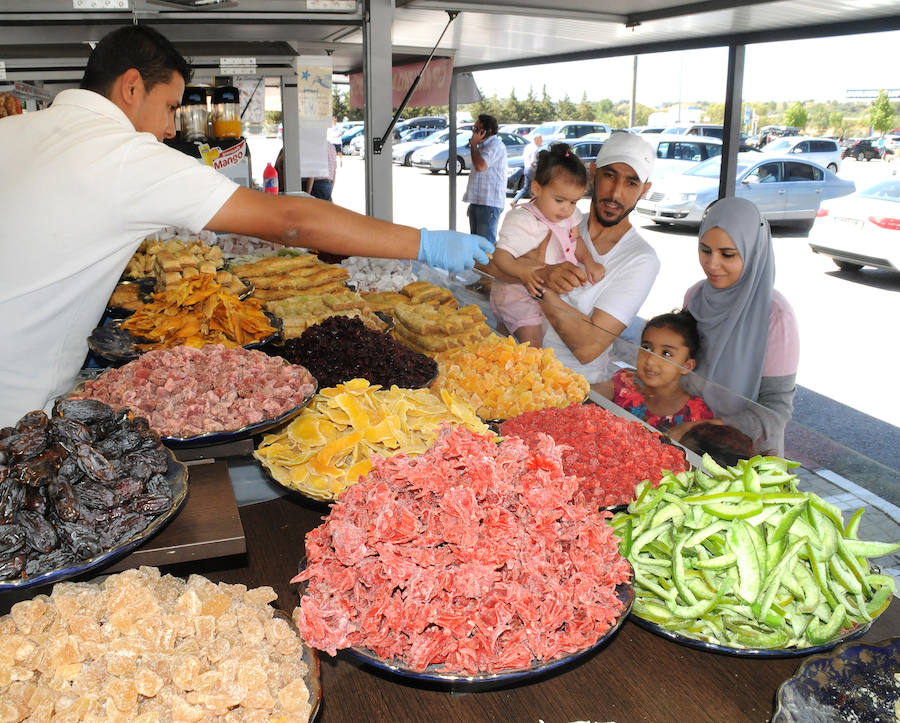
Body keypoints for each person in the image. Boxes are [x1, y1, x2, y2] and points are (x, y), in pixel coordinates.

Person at [0, 24, 493, 425]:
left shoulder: (12, 130)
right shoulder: (124, 153)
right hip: (16, 403)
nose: (170, 128)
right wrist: (422, 242)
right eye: (169, 107)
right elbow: (291, 222)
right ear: (131, 86)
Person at [487, 131, 660, 383]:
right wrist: (532, 272)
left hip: (569, 384)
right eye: (609, 176)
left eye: (631, 183)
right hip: (510, 367)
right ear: (593, 173)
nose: (615, 193)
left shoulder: (641, 259)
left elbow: (588, 348)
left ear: (645, 189)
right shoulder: (558, 218)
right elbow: (487, 265)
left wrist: (541, 284)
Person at [681, 196, 799, 455]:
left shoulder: (776, 315)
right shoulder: (695, 297)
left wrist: (707, 428)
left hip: (744, 456)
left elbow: (776, 408)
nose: (712, 264)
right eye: (705, 250)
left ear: (753, 251)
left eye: (728, 254)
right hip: (689, 442)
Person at [489, 143, 605, 348]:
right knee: (532, 344)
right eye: (559, 200)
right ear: (537, 189)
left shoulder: (570, 217)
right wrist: (523, 271)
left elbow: (576, 241)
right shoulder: (522, 220)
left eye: (573, 202)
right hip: (516, 294)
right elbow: (500, 256)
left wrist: (589, 262)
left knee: (506, 340)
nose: (567, 209)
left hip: (543, 294)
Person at [594, 311, 714, 434]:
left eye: (666, 353)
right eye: (646, 348)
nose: (651, 360)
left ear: (686, 366)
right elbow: (593, 392)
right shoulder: (626, 380)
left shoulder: (696, 413)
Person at [463, 114, 507, 246]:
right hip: (478, 201)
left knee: (485, 246)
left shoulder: (496, 145)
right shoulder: (481, 147)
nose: (474, 132)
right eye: (474, 128)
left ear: (488, 131)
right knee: (475, 245)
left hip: (489, 202)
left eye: (477, 129)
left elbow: (480, 166)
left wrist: (473, 145)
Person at [511, 133, 543, 207]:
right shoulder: (535, 149)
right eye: (541, 140)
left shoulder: (528, 147)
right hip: (532, 169)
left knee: (527, 187)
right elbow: (533, 161)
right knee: (538, 186)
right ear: (536, 140)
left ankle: (515, 201)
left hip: (526, 168)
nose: (541, 141)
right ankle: (536, 203)